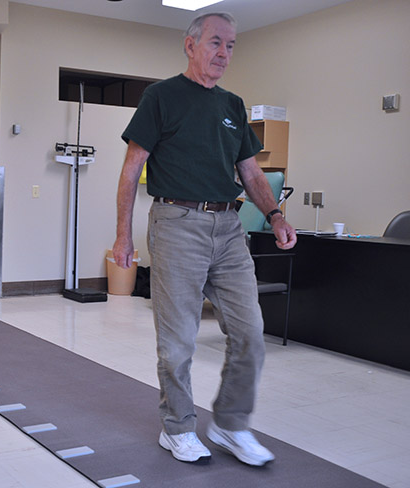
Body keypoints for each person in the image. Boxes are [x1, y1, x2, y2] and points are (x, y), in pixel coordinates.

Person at [112, 12, 297, 466]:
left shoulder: (233, 105)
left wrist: (274, 215)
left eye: (231, 46)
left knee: (251, 333)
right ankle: (176, 428)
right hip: (177, 223)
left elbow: (250, 171)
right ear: (190, 45)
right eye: (216, 42)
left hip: (229, 228)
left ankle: (231, 425)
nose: (224, 53)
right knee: (178, 342)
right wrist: (122, 236)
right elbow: (133, 166)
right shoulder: (161, 97)